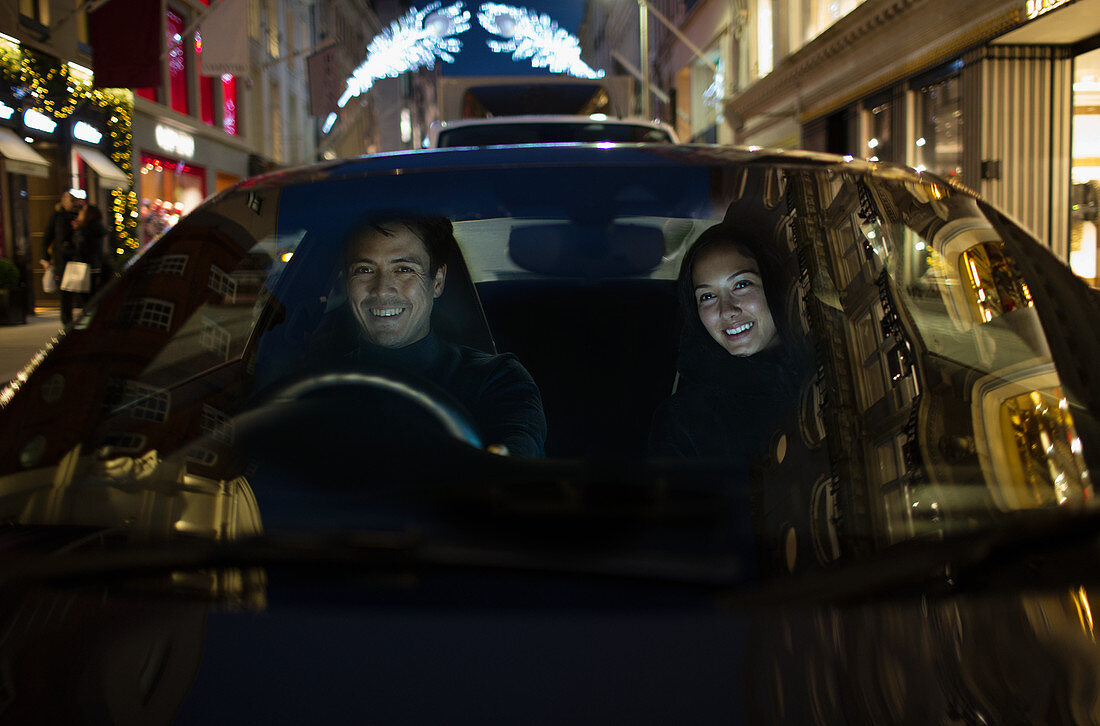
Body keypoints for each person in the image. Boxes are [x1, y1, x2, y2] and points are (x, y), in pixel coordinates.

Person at [333, 213, 547, 458]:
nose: (382, 290)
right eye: (365, 269)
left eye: (404, 269)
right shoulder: (316, 381)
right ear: (348, 284)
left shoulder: (496, 379)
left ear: (437, 282)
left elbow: (519, 451)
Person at [649, 222, 806, 463]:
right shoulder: (683, 423)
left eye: (742, 285)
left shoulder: (829, 358)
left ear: (774, 284)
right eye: (708, 296)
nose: (727, 310)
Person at [40, 191, 80, 325]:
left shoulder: (77, 216)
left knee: (75, 289)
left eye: (74, 200)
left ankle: (71, 318)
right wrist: (45, 257)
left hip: (74, 257)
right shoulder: (57, 216)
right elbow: (47, 237)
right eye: (71, 200)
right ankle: (67, 320)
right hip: (62, 259)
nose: (73, 203)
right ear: (64, 202)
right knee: (65, 290)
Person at [72, 204, 107, 295]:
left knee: (86, 296)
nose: (79, 212)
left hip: (85, 267)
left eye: (82, 211)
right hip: (95, 265)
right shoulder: (97, 227)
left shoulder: (84, 230)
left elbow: (81, 248)